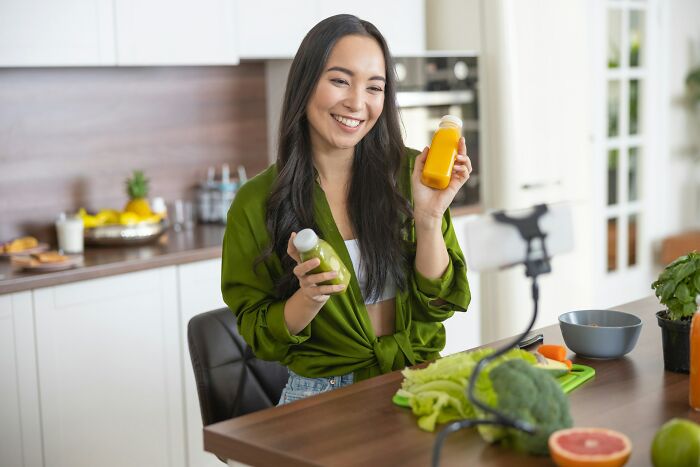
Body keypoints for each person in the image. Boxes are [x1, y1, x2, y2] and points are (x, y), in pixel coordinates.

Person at [221, 14, 472, 405]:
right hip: (321, 396)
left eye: (375, 87)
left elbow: (439, 305)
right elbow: (258, 332)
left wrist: (428, 219)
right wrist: (310, 296)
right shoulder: (256, 201)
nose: (357, 102)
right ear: (305, 84)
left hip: (420, 381)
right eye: (339, 80)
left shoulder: (412, 173)